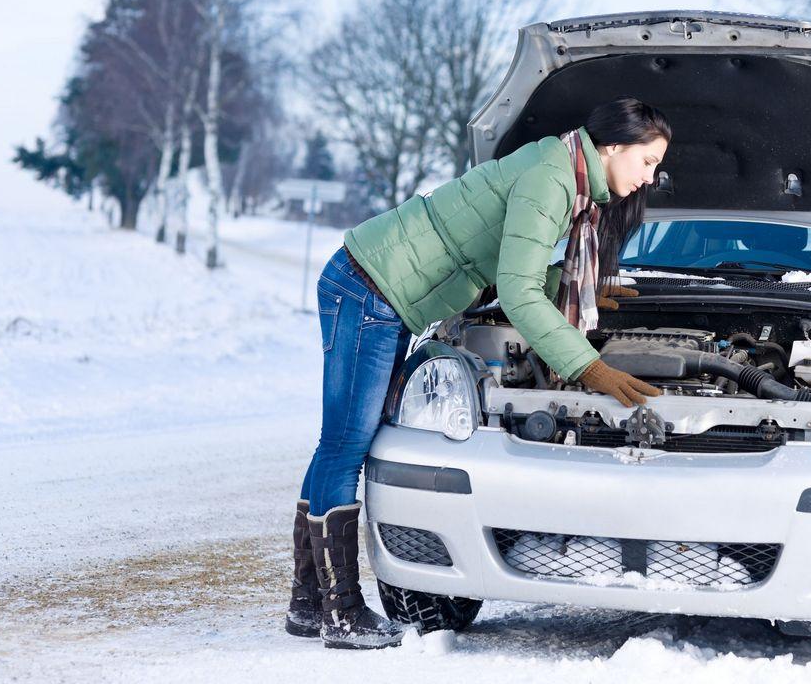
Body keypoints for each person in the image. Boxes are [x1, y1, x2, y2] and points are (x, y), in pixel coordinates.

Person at [285, 96, 672, 649]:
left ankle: (308, 604)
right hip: (369, 287)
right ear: (613, 146)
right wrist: (588, 367)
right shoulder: (552, 179)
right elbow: (515, 292)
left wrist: (580, 285)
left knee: (339, 445)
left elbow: (515, 259)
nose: (650, 177)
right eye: (648, 161)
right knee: (345, 446)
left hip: (380, 290)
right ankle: (341, 611)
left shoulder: (559, 167)